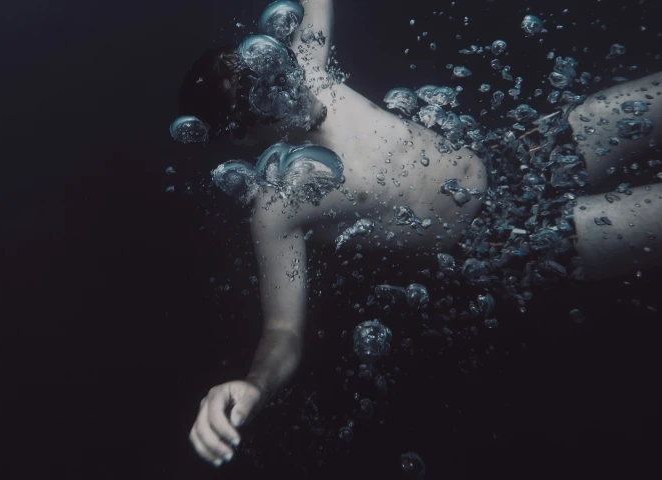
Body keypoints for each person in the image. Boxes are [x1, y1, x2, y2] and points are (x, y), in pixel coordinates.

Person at [179, 0, 662, 467]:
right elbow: (283, 331)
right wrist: (256, 386)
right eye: (257, 97)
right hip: (507, 240)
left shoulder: (310, 68)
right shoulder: (275, 206)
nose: (280, 88)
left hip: (517, 151)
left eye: (263, 68)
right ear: (240, 136)